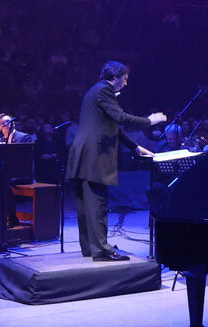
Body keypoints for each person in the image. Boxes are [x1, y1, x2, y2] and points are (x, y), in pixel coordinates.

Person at [65, 61, 165, 261]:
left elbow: (112, 126)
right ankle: (101, 250)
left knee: (87, 204)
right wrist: (150, 121)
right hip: (94, 155)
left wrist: (135, 146)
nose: (126, 84)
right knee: (97, 204)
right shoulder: (104, 91)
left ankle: (91, 247)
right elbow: (120, 118)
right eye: (125, 79)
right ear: (116, 77)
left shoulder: (97, 91)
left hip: (85, 154)